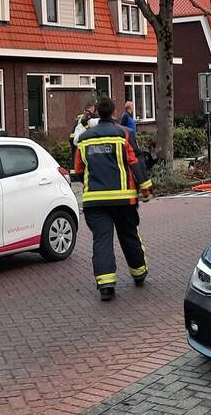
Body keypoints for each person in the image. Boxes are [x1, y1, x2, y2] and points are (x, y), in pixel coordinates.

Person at [73, 97, 153, 301]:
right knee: (129, 235)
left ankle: (106, 286)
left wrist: (92, 183)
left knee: (102, 240)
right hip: (123, 199)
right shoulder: (124, 134)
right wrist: (145, 188)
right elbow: (135, 162)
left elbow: (79, 170)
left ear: (97, 113)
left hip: (94, 201)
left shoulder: (84, 139)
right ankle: (139, 273)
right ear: (114, 112)